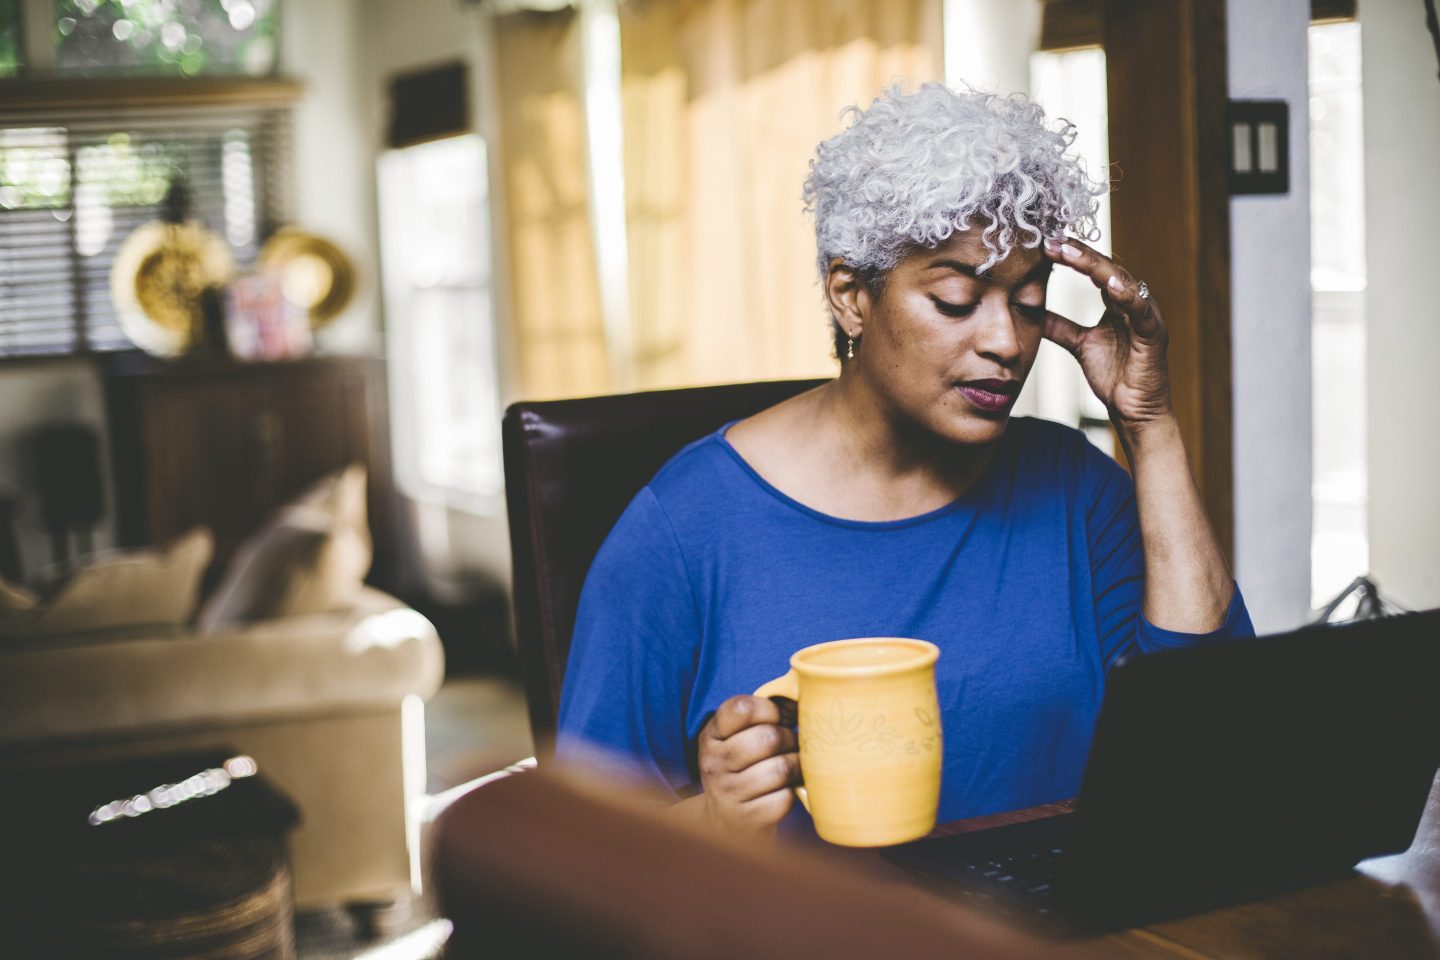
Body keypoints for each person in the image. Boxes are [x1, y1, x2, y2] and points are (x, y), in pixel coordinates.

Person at [556, 83, 1254, 838]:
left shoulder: (1074, 488)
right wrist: (716, 822)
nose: (1007, 343)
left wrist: (1149, 424)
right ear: (852, 296)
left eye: (1027, 301)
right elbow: (577, 857)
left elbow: (1207, 730)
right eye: (957, 299)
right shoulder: (684, 530)